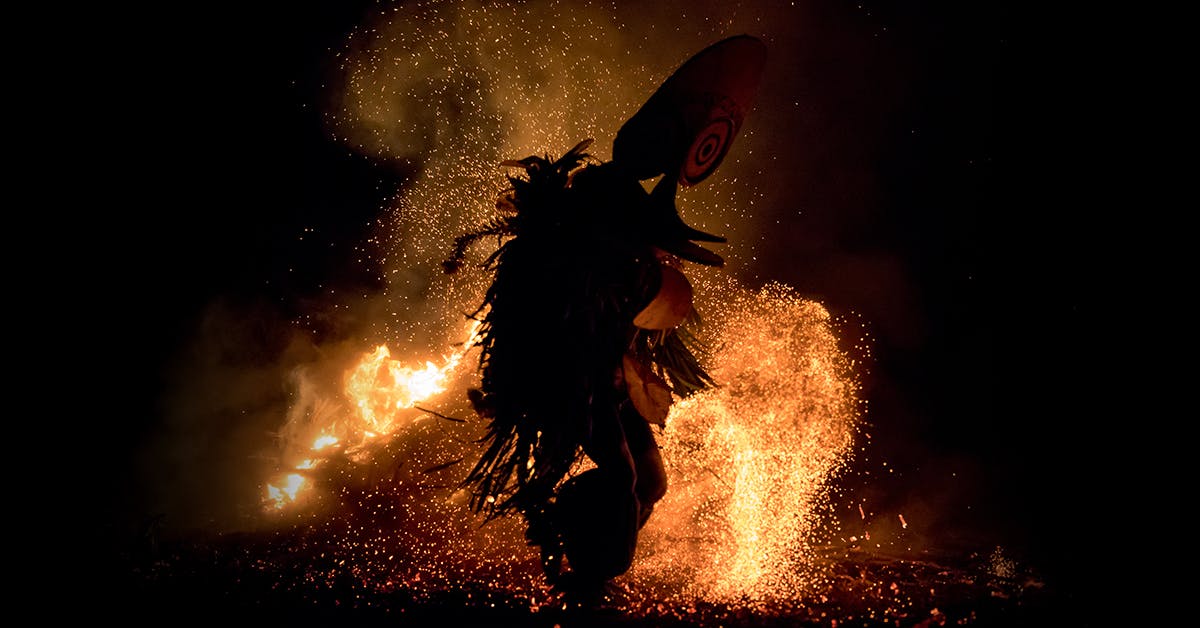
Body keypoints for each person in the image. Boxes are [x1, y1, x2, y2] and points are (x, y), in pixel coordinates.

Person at [443, 35, 766, 605]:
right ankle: (581, 569)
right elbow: (556, 318)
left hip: (609, 383)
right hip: (573, 384)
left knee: (652, 484)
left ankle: (584, 552)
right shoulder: (573, 256)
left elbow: (645, 301)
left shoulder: (626, 255)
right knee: (621, 480)